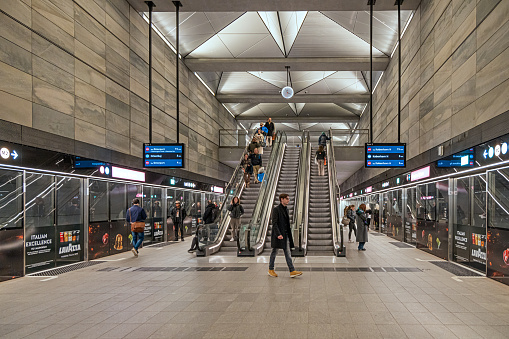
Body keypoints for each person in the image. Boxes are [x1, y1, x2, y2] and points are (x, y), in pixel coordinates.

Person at [268, 194, 302, 278]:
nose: (288, 200)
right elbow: (274, 223)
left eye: (288, 199)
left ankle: (292, 270)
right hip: (278, 235)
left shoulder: (286, 210)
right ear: (281, 199)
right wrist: (278, 234)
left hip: (285, 235)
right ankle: (271, 269)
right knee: (274, 252)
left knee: (287, 253)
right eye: (286, 199)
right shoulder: (276, 210)